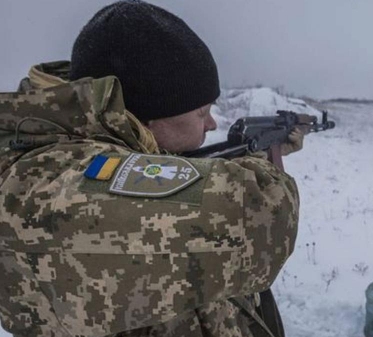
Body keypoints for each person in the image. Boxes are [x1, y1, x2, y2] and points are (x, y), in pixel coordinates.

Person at [0, 1, 302, 336]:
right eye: (202, 112)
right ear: (146, 117)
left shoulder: (101, 145)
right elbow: (261, 219)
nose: (212, 124)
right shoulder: (40, 178)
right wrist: (261, 157)